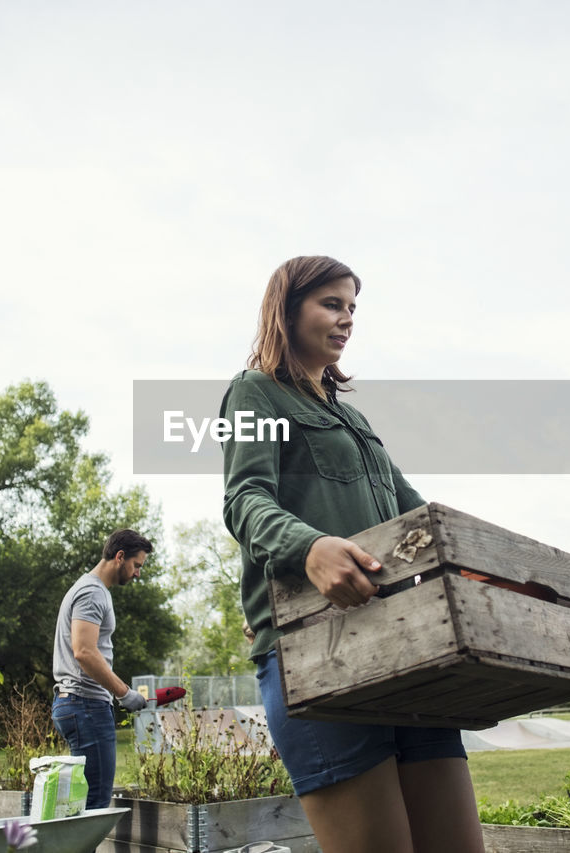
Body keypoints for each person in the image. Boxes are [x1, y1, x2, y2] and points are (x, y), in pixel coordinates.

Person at [220, 256, 486, 853]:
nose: (346, 321)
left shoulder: (354, 419)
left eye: (352, 309)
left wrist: (470, 559)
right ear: (287, 311)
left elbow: (413, 511)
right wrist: (308, 546)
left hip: (407, 649)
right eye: (331, 305)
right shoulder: (255, 393)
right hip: (316, 651)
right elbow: (244, 500)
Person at [51, 529, 153, 809]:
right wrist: (124, 693)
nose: (137, 574)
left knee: (80, 804)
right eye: (136, 565)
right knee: (93, 803)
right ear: (120, 557)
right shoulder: (92, 593)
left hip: (77, 704)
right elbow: (84, 652)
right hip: (85, 706)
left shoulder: (90, 589)